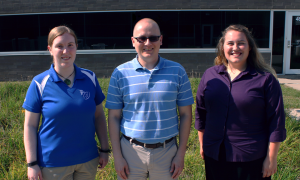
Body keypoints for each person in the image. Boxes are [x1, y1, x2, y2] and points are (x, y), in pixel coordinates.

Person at [105, 18, 194, 180]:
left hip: (167, 153)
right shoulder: (120, 73)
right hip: (130, 152)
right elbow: (114, 117)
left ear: (160, 40)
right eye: (142, 38)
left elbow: (186, 115)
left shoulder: (177, 71)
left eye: (153, 38)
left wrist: (181, 154)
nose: (148, 43)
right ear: (133, 41)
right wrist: (117, 156)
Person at [195, 24, 286, 180]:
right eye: (230, 43)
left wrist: (271, 158)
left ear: (249, 47)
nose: (235, 47)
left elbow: (276, 121)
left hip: (251, 158)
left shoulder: (265, 80)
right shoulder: (210, 75)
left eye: (241, 43)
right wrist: (203, 144)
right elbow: (201, 112)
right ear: (222, 47)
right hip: (215, 155)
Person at [23, 26, 110, 180]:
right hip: (53, 164)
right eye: (59, 46)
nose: (66, 51)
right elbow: (30, 126)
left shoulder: (90, 78)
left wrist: (104, 149)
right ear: (50, 49)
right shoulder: (39, 83)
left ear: (76, 46)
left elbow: (98, 116)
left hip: (88, 160)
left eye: (70, 45)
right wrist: (32, 163)